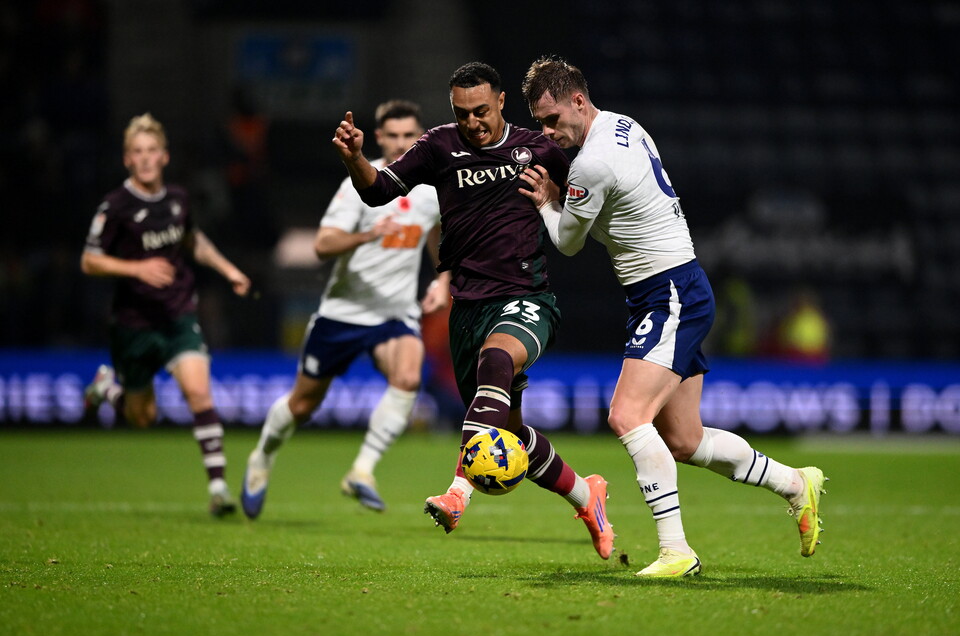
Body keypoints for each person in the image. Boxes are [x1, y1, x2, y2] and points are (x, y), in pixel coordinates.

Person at [518, 56, 827, 577]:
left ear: (576, 99)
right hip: (676, 285)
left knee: (626, 415)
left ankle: (675, 551)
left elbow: (568, 242)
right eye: (539, 123)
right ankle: (796, 484)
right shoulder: (624, 123)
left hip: (669, 293)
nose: (548, 133)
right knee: (683, 438)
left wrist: (548, 202)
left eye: (552, 119)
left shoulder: (592, 162)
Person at [332, 62, 614, 560]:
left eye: (481, 111)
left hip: (527, 297)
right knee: (509, 435)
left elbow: (591, 200)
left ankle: (457, 495)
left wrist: (557, 200)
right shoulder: (439, 146)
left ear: (502, 102)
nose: (473, 123)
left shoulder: (541, 147)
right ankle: (587, 495)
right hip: (467, 309)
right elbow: (378, 190)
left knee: (497, 363)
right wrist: (356, 158)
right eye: (462, 114)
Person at [241, 100, 450, 518]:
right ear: (379, 138)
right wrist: (369, 234)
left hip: (394, 313)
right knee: (303, 404)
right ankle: (261, 456)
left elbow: (438, 231)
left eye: (408, 135)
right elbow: (322, 245)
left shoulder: (430, 188)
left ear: (420, 136)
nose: (400, 143)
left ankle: (362, 470)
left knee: (409, 376)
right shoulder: (362, 182)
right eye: (391, 136)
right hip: (343, 312)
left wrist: (442, 279)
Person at [81, 112, 251, 517]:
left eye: (151, 150)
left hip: (178, 316)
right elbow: (89, 261)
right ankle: (109, 388)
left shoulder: (178, 198)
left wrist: (228, 270)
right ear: (127, 159)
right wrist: (135, 268)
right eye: (137, 152)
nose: (144, 158)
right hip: (133, 324)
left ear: (164, 156)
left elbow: (193, 240)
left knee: (199, 393)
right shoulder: (115, 206)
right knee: (144, 417)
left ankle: (218, 489)